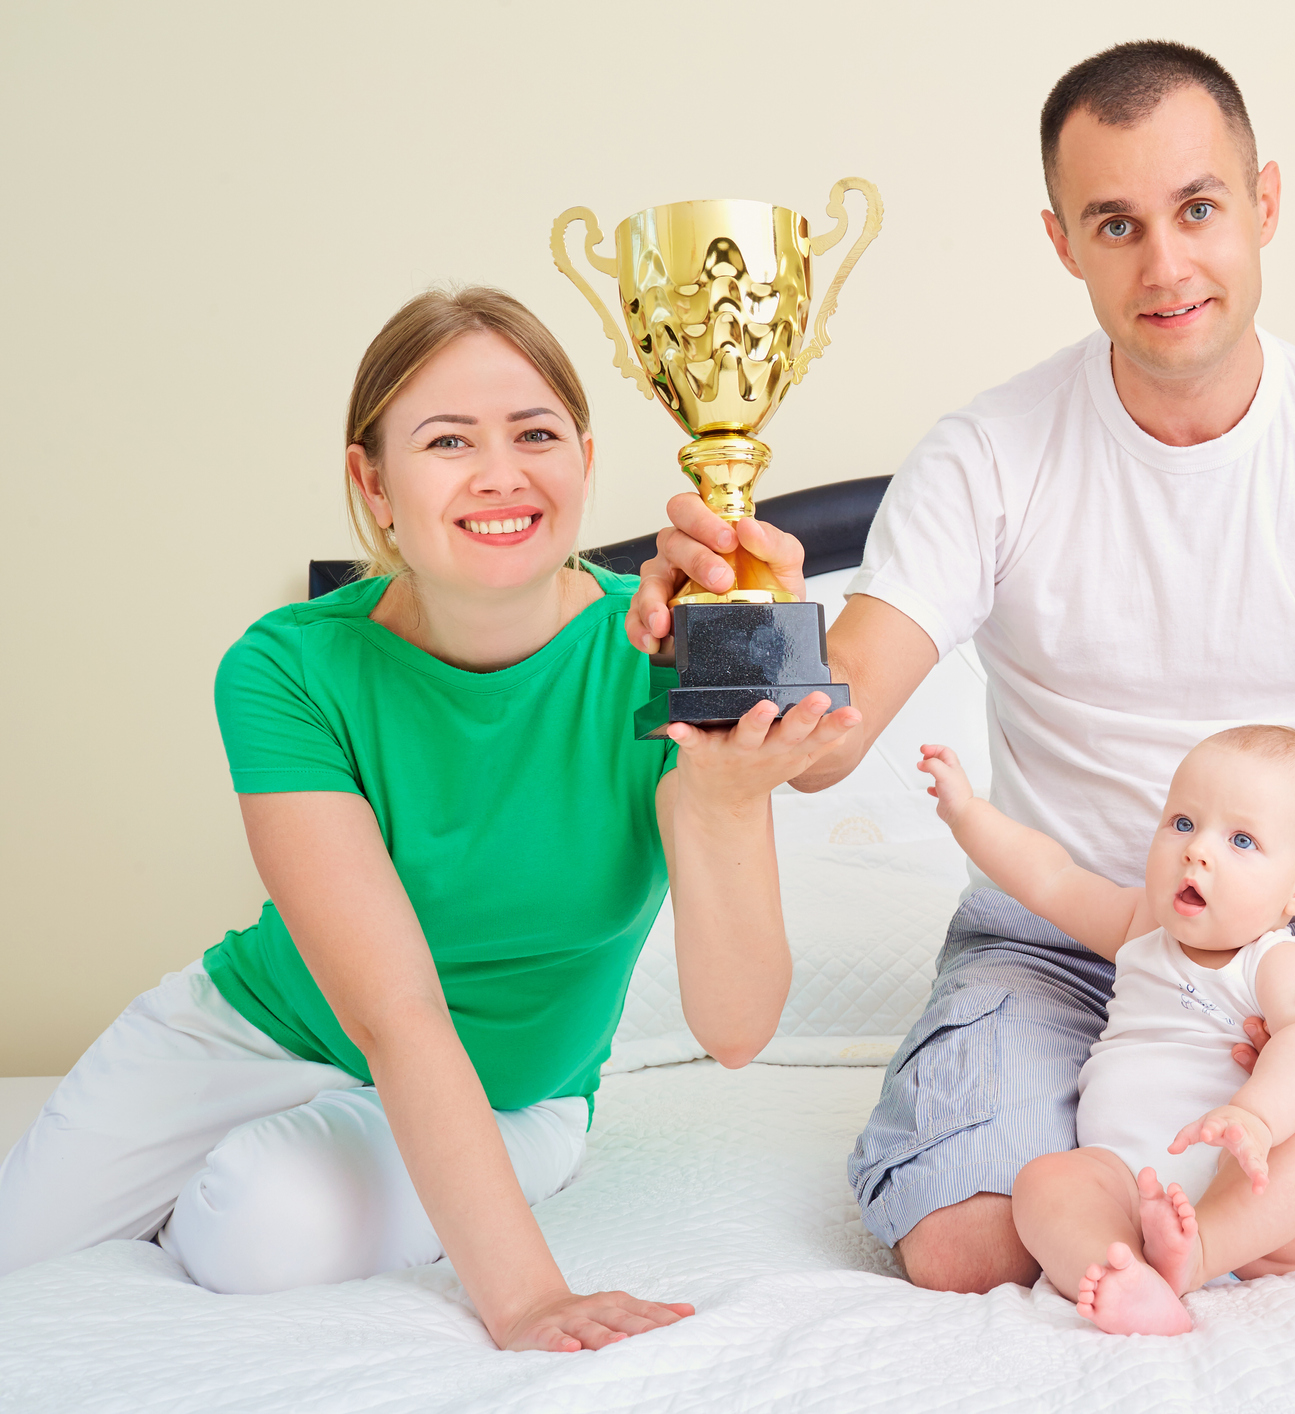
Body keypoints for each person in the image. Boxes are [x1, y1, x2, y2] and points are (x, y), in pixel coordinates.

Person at [624, 41, 1295, 1294]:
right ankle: (1170, 1228)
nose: (1165, 266)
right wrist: (746, 617)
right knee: (961, 1245)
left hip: (1280, 938)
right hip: (1051, 932)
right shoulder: (987, 454)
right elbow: (829, 745)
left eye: (1199, 209)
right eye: (1117, 223)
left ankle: (1187, 1235)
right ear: (1062, 242)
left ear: (1265, 203)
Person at [0, 288, 861, 1353]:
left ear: (586, 460)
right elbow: (395, 1008)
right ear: (374, 481)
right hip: (249, 1033)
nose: (501, 474)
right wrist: (529, 1299)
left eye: (536, 434)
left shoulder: (652, 653)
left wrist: (727, 797)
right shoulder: (286, 666)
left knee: (250, 1229)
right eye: (448, 440)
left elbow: (735, 1031)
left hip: (511, 1099)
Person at [919, 727, 1295, 1336]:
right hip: (1127, 1181)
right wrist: (968, 813)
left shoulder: (1273, 960)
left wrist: (1257, 1118)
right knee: (1047, 1180)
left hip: (1251, 1211)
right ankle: (1123, 1271)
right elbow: (1048, 878)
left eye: (1240, 840)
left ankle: (1201, 1252)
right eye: (1183, 823)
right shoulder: (1139, 926)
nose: (1197, 851)